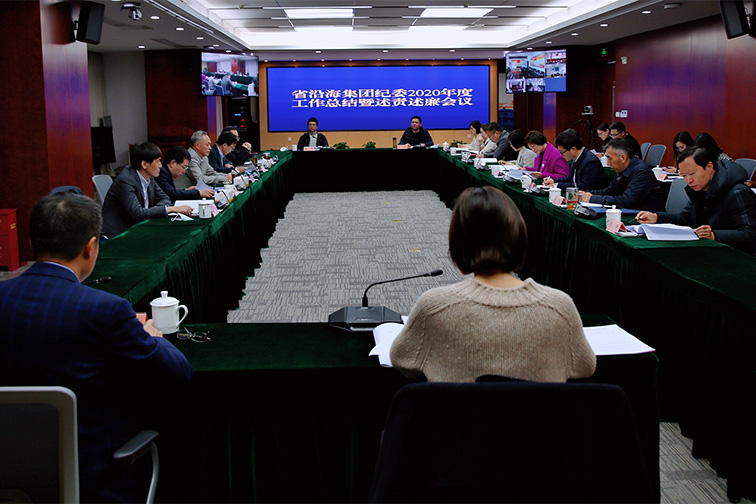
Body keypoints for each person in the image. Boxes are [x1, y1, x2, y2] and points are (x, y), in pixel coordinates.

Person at [0, 192, 193, 502]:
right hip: (94, 478)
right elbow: (177, 372)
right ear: (90, 248)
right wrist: (154, 336)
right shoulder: (106, 310)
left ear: (33, 241)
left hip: (9, 479)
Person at [390, 186, 596, 383]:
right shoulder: (558, 307)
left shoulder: (435, 306)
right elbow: (584, 367)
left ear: (458, 242)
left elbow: (402, 360)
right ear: (519, 236)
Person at [637, 146, 756, 254]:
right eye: (684, 175)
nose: (689, 180)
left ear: (709, 167)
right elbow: (685, 218)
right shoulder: (699, 189)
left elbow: (750, 235)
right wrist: (657, 217)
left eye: (692, 174)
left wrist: (715, 235)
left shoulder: (738, 193)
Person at [101, 142, 192, 239]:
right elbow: (138, 213)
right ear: (144, 164)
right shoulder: (125, 181)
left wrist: (156, 210)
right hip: (119, 234)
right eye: (157, 161)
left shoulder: (149, 177)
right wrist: (171, 209)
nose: (160, 165)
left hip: (139, 226)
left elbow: (164, 197)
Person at [579, 138, 664, 211]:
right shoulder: (623, 169)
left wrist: (592, 198)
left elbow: (627, 201)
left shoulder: (641, 172)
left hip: (646, 216)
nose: (608, 163)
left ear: (623, 158)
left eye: (610, 158)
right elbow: (610, 191)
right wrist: (586, 194)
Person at [544, 128, 608, 190]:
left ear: (573, 149)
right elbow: (571, 179)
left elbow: (584, 186)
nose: (561, 155)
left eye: (562, 152)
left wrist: (558, 185)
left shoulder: (590, 162)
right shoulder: (577, 158)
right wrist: (554, 180)